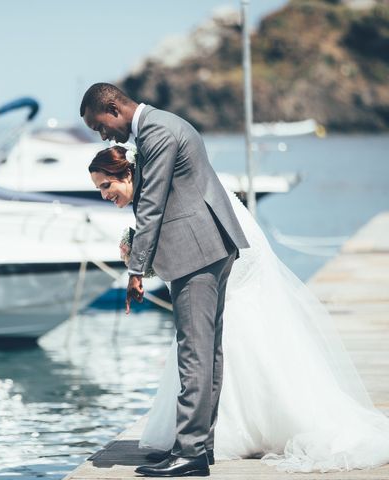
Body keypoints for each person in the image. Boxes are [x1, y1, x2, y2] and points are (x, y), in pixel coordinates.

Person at [88, 145, 389, 474]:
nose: (104, 194)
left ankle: (208, 439)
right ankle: (201, 438)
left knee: (214, 337)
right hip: (221, 249)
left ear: (128, 173)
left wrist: (141, 260)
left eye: (107, 185)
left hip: (228, 254)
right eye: (100, 188)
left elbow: (186, 239)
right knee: (211, 338)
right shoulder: (157, 182)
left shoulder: (162, 185)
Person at [81, 82, 249, 477]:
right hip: (207, 247)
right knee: (207, 350)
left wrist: (136, 270)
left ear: (112, 107)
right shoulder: (161, 125)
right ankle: (198, 446)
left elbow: (152, 204)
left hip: (196, 252)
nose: (103, 134)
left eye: (99, 125)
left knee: (194, 351)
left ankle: (190, 452)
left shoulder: (157, 130)